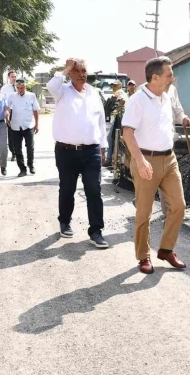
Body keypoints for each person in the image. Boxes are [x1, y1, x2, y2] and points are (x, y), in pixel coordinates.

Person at [122, 56, 190, 274]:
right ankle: (143, 256)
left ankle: (166, 249)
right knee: (144, 212)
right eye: (169, 74)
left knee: (179, 206)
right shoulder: (137, 100)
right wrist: (140, 160)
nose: (173, 78)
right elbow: (128, 132)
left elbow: (178, 112)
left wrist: (186, 120)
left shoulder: (169, 93)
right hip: (146, 159)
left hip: (169, 159)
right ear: (155, 77)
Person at [46, 58, 109, 249]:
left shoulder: (94, 93)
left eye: (84, 71)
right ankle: (64, 221)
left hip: (91, 151)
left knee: (94, 190)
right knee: (67, 188)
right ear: (71, 73)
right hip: (66, 151)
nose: (82, 74)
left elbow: (100, 121)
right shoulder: (62, 92)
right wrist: (65, 68)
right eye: (78, 71)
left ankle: (96, 231)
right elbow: (51, 85)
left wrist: (103, 147)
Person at [5, 79, 39, 177]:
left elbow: (36, 110)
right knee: (17, 149)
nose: (20, 90)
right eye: (18, 88)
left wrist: (37, 124)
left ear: (25, 86)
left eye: (22, 87)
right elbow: (7, 107)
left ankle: (31, 165)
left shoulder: (31, 96)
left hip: (28, 126)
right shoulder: (11, 96)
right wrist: (7, 114)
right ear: (16, 87)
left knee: (30, 147)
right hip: (15, 126)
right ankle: (22, 169)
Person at [105, 80, 129, 168]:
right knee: (115, 139)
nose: (113, 87)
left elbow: (122, 101)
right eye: (112, 86)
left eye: (115, 85)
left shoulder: (120, 92)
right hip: (118, 118)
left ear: (120, 86)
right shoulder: (120, 92)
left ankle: (110, 160)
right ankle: (113, 160)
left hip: (120, 118)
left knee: (111, 138)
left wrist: (118, 106)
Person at [1, 70, 17, 161]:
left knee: (19, 132)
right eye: (12, 77)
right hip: (10, 112)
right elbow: (3, 101)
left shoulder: (19, 86)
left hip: (19, 112)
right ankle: (13, 152)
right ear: (8, 77)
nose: (14, 78)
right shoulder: (4, 88)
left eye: (15, 76)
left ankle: (18, 150)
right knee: (11, 134)